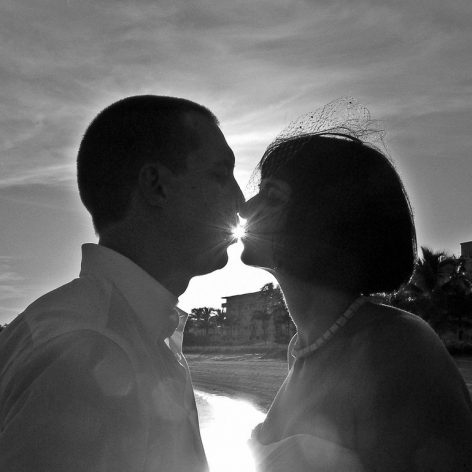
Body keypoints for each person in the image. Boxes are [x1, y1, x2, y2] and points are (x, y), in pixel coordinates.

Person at [0, 95, 244, 471]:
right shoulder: (89, 351)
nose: (241, 201)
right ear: (156, 185)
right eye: (221, 174)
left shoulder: (132, 332)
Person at [240, 109, 472, 470]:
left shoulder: (397, 346)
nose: (245, 208)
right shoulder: (302, 349)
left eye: (271, 196)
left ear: (322, 217)